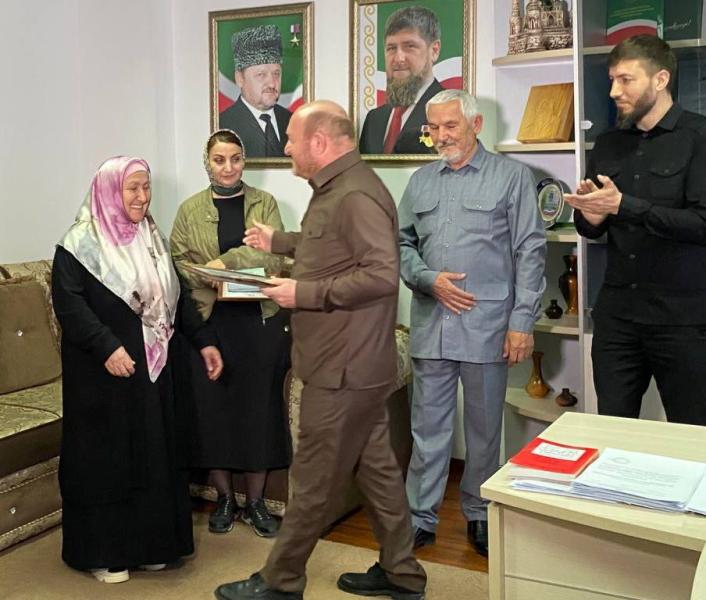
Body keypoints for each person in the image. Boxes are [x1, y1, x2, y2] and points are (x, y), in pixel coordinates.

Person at [213, 101, 427, 600]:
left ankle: (281, 580)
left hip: (343, 368)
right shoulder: (338, 187)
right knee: (378, 472)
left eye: (291, 138)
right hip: (352, 365)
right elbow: (333, 248)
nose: (286, 146)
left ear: (319, 142)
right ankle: (402, 573)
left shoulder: (355, 194)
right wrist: (281, 241)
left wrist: (302, 293)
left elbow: (381, 274)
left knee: (310, 479)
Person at [52, 156, 223, 583]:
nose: (142, 197)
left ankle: (152, 547)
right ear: (110, 190)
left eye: (146, 188)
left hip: (152, 373)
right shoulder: (79, 244)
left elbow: (176, 299)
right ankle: (103, 555)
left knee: (153, 454)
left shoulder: (152, 238)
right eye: (133, 188)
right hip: (102, 378)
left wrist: (204, 341)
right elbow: (69, 306)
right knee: (108, 461)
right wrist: (106, 347)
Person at [398, 89, 546, 556]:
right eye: (434, 128)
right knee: (427, 430)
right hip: (431, 325)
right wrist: (427, 279)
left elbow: (530, 251)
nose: (442, 136)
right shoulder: (420, 181)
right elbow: (400, 244)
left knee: (484, 432)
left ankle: (479, 514)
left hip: (489, 327)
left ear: (475, 125)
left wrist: (522, 322)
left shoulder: (512, 177)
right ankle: (419, 518)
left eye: (451, 126)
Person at [565, 35, 706, 425]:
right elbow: (590, 228)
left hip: (684, 321)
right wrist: (592, 214)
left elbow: (701, 223)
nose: (614, 91)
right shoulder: (608, 143)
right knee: (611, 427)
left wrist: (624, 206)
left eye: (626, 80)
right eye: (612, 80)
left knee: (692, 432)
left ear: (660, 79)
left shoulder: (699, 137)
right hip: (617, 318)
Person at [170, 129, 291, 538]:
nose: (228, 167)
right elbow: (177, 264)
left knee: (259, 412)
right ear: (207, 162)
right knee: (212, 412)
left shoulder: (264, 203)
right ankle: (225, 499)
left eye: (235, 159)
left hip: (257, 321)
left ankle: (256, 503)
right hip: (208, 323)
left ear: (244, 161)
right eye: (219, 159)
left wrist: (224, 264)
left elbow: (273, 256)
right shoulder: (189, 210)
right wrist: (209, 276)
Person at [358, 5, 444, 155]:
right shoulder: (374, 119)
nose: (398, 58)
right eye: (391, 48)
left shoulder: (449, 113)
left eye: (409, 46)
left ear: (434, 51)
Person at [219, 25, 292, 158]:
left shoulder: (291, 121)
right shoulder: (223, 126)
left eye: (276, 74)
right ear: (240, 79)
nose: (272, 83)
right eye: (261, 74)